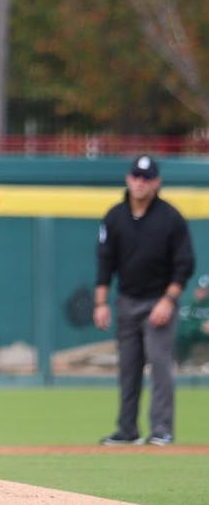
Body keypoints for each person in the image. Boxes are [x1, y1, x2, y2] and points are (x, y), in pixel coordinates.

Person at [94, 154, 196, 447]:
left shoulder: (170, 218)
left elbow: (184, 264)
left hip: (159, 301)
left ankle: (161, 430)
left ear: (156, 183)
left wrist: (168, 300)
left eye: (147, 178)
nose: (140, 183)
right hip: (127, 300)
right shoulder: (115, 216)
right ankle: (127, 430)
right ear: (128, 178)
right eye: (136, 177)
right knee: (128, 367)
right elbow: (105, 263)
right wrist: (101, 303)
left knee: (160, 365)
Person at [175, 274, 209, 366]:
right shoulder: (189, 302)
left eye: (204, 290)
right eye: (199, 289)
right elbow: (184, 321)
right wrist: (201, 325)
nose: (201, 292)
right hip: (196, 331)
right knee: (184, 333)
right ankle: (184, 362)